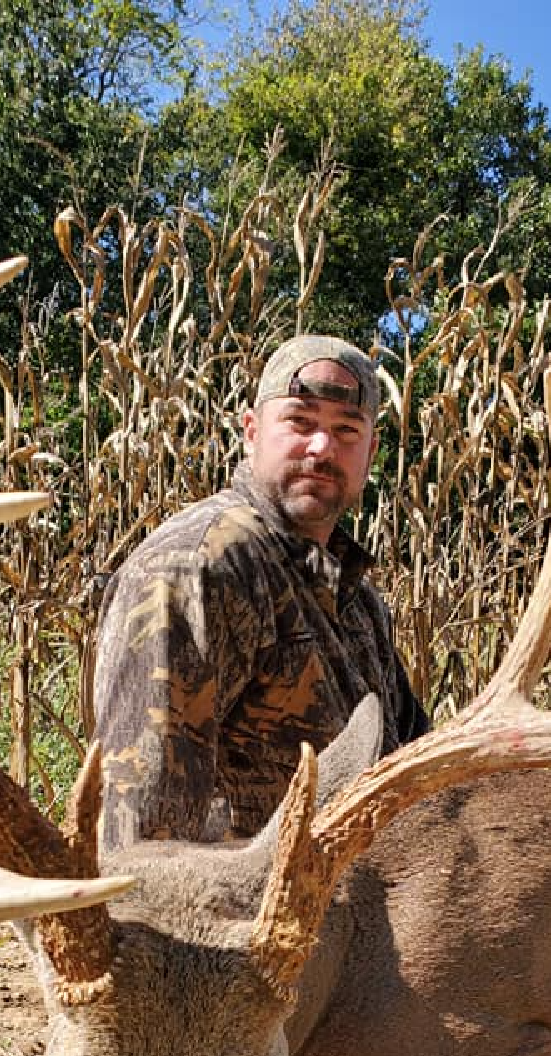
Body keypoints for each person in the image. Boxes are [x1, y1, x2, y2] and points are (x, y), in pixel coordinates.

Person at [88, 333, 429, 849]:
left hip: (348, 909)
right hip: (230, 917)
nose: (321, 448)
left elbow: (413, 763)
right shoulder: (198, 569)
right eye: (300, 421)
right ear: (251, 431)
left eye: (346, 431)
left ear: (371, 452)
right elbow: (141, 839)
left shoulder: (356, 598)